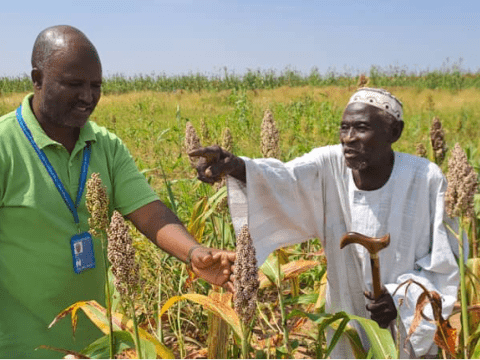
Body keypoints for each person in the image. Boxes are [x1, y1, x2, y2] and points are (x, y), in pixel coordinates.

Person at [0, 25, 234, 359]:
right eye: (74, 84)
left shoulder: (106, 145)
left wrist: (194, 253)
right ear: (37, 78)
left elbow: (149, 212)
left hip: (93, 344)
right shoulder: (5, 145)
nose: (87, 97)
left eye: (96, 86)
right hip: (19, 348)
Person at [190, 87, 461, 358]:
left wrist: (400, 298)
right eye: (344, 128)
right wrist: (236, 166)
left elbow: (444, 263)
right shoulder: (330, 164)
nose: (349, 139)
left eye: (361, 128)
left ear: (394, 132)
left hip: (407, 320)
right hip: (345, 309)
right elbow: (285, 181)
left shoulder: (425, 179)